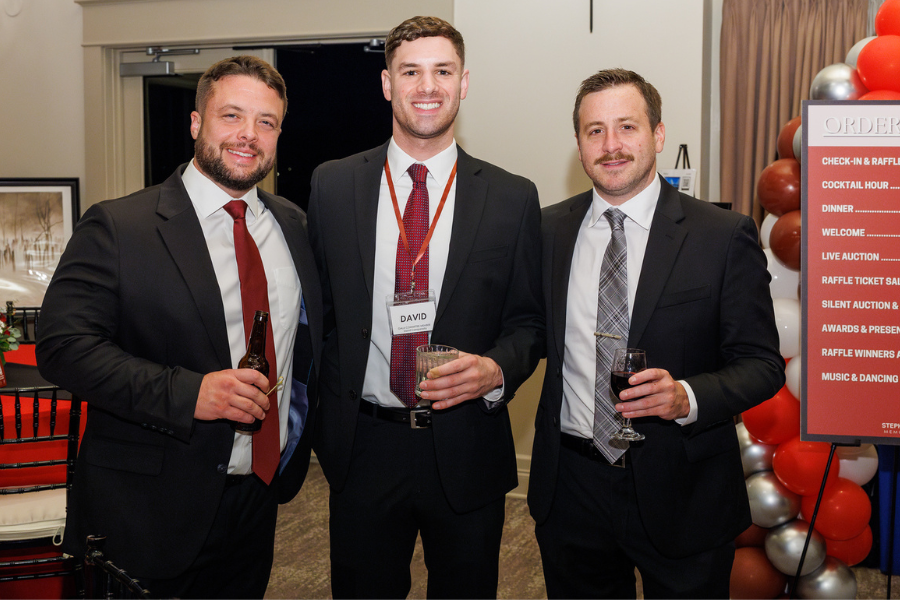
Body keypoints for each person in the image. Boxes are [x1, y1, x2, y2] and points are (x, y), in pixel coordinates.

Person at [36, 55, 322, 599]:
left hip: (256, 502)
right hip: (147, 510)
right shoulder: (120, 226)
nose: (248, 134)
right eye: (231, 115)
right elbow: (63, 348)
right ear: (196, 123)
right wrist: (191, 393)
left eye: (266, 122)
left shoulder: (293, 225)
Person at [307, 16, 543, 599]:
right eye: (410, 71)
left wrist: (496, 369)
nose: (427, 86)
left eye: (443, 71)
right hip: (365, 446)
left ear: (464, 83)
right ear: (387, 84)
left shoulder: (512, 196)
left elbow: (529, 322)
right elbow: (319, 315)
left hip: (466, 443)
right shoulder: (333, 186)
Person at [528, 68, 785, 599]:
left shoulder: (721, 236)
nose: (611, 145)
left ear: (658, 134)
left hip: (684, 487)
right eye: (595, 130)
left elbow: (761, 364)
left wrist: (686, 396)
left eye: (627, 126)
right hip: (572, 488)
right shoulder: (546, 231)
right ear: (579, 143)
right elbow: (527, 330)